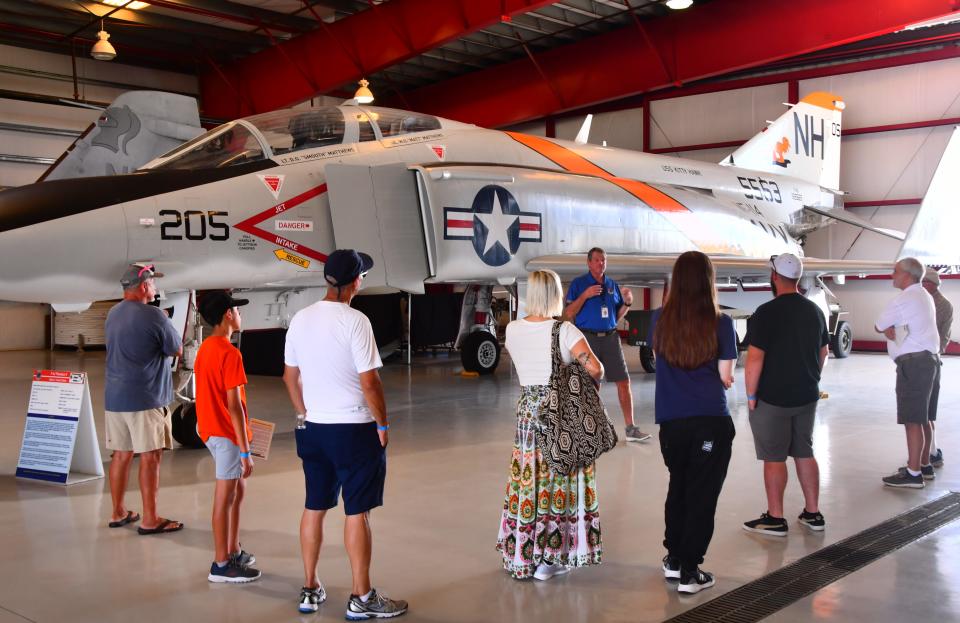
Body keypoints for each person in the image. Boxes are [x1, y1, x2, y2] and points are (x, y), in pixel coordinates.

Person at [283, 249, 408, 619]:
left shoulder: (300, 319)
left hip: (314, 430)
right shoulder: (356, 322)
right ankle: (361, 596)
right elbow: (370, 382)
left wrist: (305, 411)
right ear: (356, 281)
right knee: (357, 511)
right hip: (354, 430)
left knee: (314, 506)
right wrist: (382, 424)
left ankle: (310, 587)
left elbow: (290, 377)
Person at [499, 269, 605, 580]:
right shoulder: (565, 332)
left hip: (527, 415)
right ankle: (550, 559)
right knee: (559, 484)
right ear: (556, 296)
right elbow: (596, 369)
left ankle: (522, 555)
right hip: (560, 415)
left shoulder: (513, 330)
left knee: (528, 481)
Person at [649, 251, 736, 595]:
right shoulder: (721, 322)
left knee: (679, 486)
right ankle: (690, 569)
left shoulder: (658, 320)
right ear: (708, 281)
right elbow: (726, 376)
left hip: (671, 422)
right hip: (709, 420)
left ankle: (673, 559)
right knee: (702, 494)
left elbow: (658, 361)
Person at [742, 253, 829, 537]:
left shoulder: (766, 313)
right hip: (806, 395)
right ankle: (813, 513)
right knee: (805, 451)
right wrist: (813, 378)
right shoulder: (814, 311)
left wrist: (751, 396)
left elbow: (755, 359)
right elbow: (823, 352)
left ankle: (776, 517)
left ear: (775, 277)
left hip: (772, 398)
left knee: (775, 457)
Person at [104, 264, 184, 535]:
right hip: (146, 399)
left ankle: (118, 511)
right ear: (143, 287)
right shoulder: (155, 316)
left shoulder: (112, 314)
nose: (155, 287)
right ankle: (150, 519)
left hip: (115, 399)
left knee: (121, 456)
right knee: (150, 458)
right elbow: (176, 349)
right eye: (152, 283)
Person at [195, 291, 260, 583]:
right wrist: (245, 451)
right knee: (224, 498)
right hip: (226, 434)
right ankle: (221, 564)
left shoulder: (206, 347)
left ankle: (232, 548)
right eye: (237, 310)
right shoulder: (231, 353)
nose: (240, 314)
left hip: (210, 429)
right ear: (227, 315)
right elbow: (234, 406)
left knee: (238, 490)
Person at [564, 247, 651, 442]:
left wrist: (627, 304)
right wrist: (585, 295)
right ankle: (587, 430)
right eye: (596, 260)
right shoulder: (579, 284)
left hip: (611, 339)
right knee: (590, 384)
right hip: (587, 339)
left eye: (603, 260)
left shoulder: (613, 285)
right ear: (588, 263)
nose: (601, 263)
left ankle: (630, 429)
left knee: (624, 382)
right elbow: (569, 313)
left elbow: (616, 316)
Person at [875, 257, 940, 488]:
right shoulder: (925, 296)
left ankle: (913, 475)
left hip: (914, 365)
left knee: (912, 420)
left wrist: (888, 329)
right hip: (931, 361)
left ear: (907, 275)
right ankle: (923, 464)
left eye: (895, 272)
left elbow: (879, 325)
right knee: (924, 417)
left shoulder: (903, 299)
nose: (892, 275)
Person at [921, 267, 953, 470]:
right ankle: (929, 453)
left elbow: (938, 334)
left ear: (931, 284)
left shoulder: (940, 304)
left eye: (924, 283)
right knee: (925, 414)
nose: (921, 286)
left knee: (925, 414)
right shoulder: (930, 301)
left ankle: (930, 455)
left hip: (928, 359)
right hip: (929, 357)